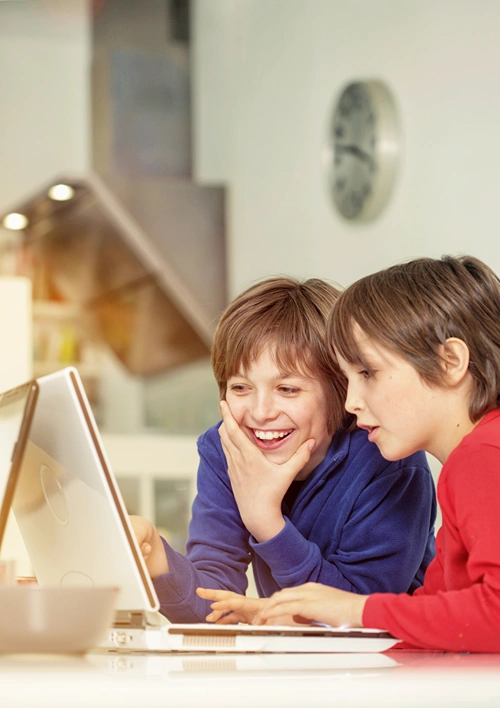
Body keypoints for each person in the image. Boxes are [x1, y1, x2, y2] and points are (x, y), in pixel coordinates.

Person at [131, 276, 436, 623]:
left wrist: (267, 522)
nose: (261, 412)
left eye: (288, 389)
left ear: (340, 389)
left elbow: (357, 616)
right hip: (293, 660)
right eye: (241, 387)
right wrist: (154, 554)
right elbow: (214, 608)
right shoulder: (227, 450)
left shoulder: (387, 460)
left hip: (401, 665)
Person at [235, 255, 500, 653]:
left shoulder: (483, 456)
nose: (351, 401)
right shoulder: (470, 460)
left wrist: (359, 610)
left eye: (367, 373)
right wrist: (314, 620)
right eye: (346, 379)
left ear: (450, 362)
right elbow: (436, 619)